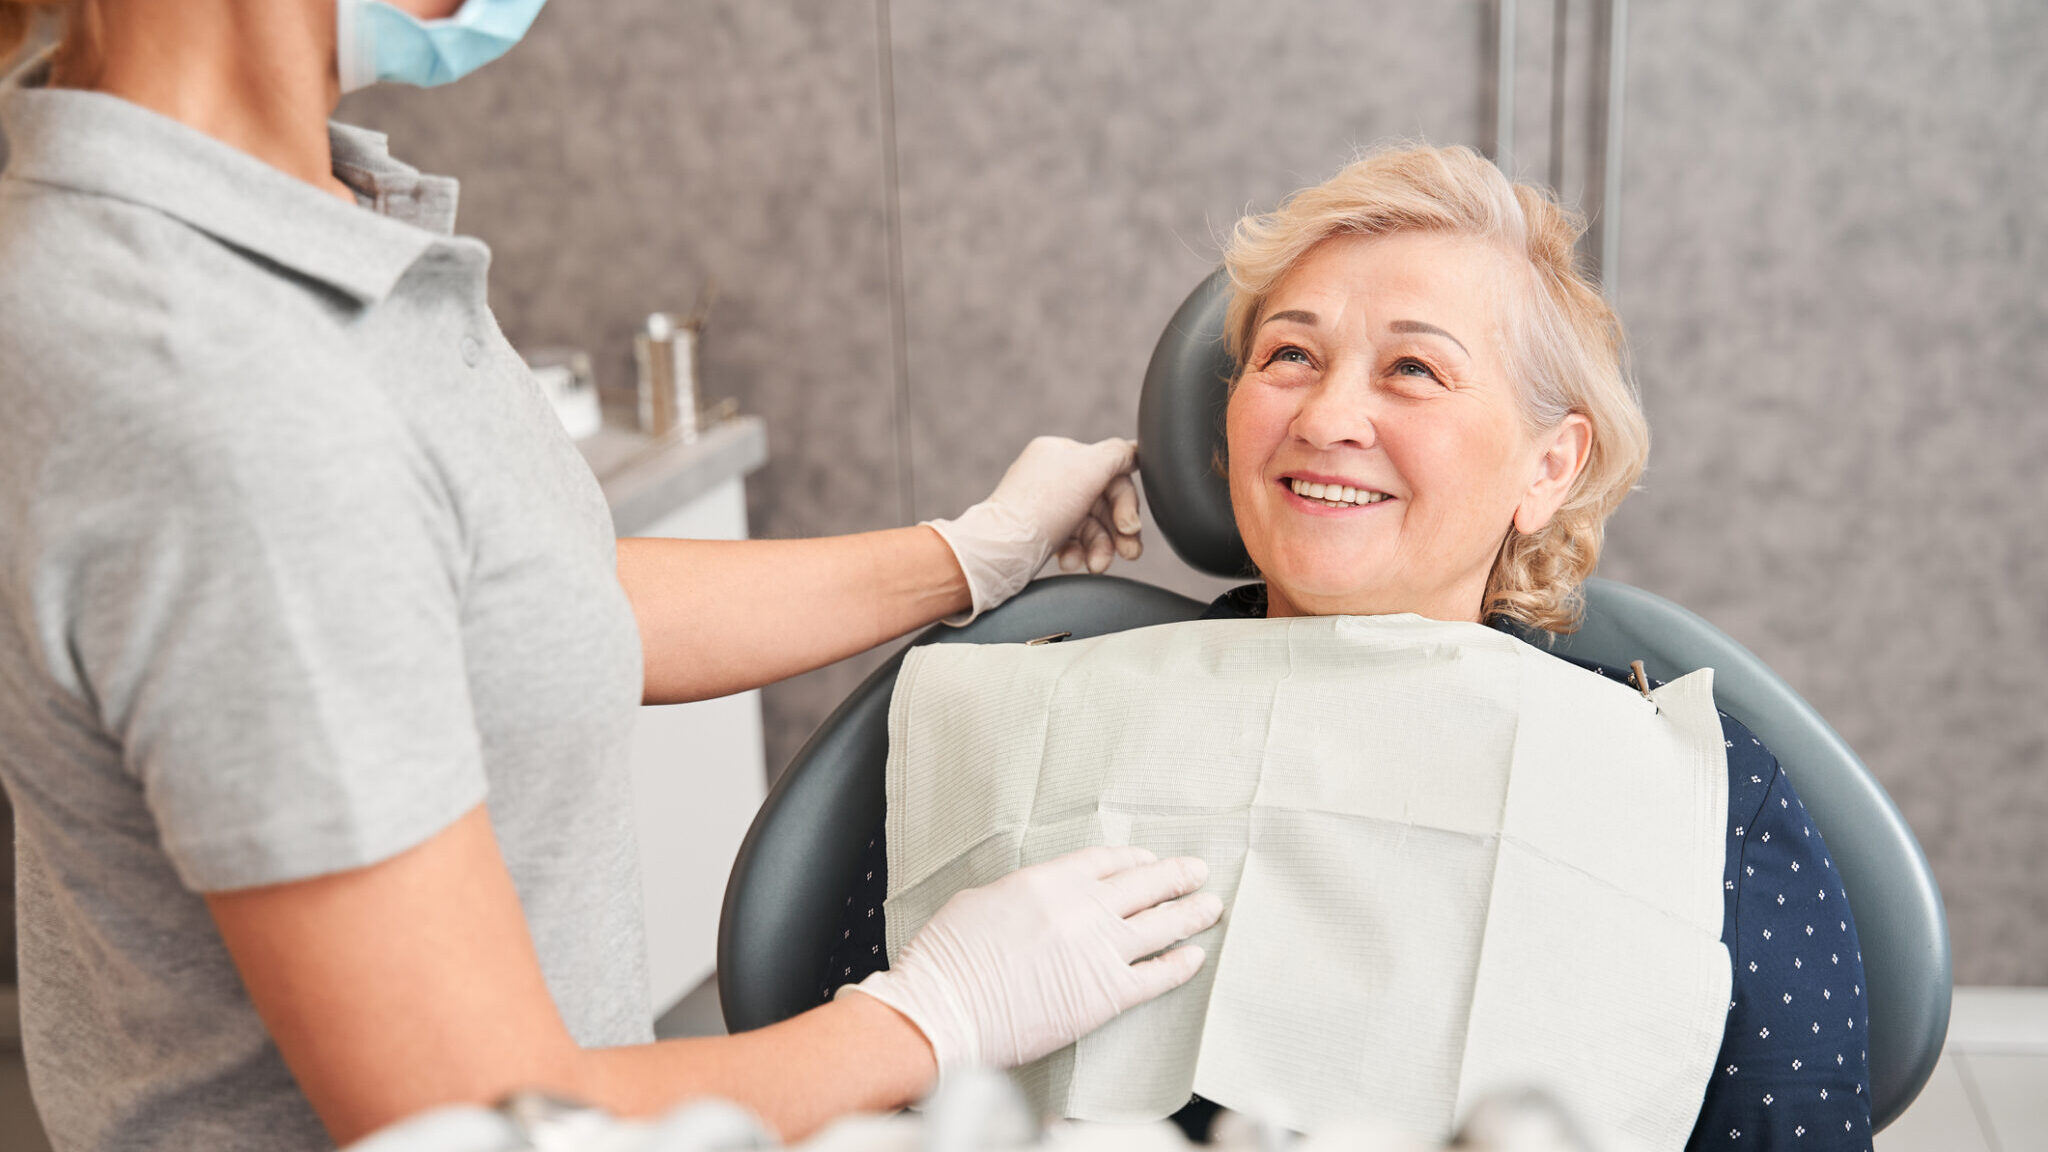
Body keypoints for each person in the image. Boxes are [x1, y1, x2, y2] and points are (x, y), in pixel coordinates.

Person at [0, 2, 1225, 1149]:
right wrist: (931, 1020)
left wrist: (963, 556)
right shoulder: (219, 388)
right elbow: (485, 1119)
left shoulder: (294, 221)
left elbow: (517, 608)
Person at [828, 145, 1875, 1150]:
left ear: (1546, 468)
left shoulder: (1690, 792)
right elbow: (838, 1100)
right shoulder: (1008, 726)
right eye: (1289, 355)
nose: (1327, 415)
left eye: (1413, 368)